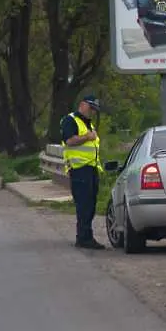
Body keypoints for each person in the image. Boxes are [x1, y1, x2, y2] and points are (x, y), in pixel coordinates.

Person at [61, 94, 106, 250]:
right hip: (79, 169)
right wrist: (87, 137)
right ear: (82, 104)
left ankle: (86, 236)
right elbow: (69, 141)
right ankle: (83, 238)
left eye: (94, 109)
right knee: (84, 205)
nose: (92, 111)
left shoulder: (89, 125)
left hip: (91, 168)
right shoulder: (70, 120)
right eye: (91, 107)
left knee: (91, 205)